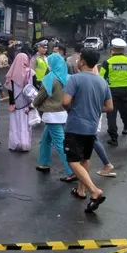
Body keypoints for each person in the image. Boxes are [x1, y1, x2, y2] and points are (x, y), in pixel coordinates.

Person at [62, 48, 114, 213]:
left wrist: (73, 108)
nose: (76, 61)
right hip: (91, 127)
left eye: (78, 58)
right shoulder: (102, 81)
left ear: (82, 62)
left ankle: (94, 190)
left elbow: (65, 102)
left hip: (75, 125)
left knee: (72, 161)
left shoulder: (74, 79)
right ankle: (81, 190)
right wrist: (93, 108)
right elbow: (109, 107)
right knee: (85, 158)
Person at [33, 53, 75, 181]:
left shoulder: (50, 78)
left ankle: (72, 170)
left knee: (61, 143)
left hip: (51, 115)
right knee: (46, 139)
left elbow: (41, 96)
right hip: (63, 113)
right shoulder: (68, 78)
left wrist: (32, 105)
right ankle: (44, 163)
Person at [99, 38, 127, 147]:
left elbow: (101, 78)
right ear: (123, 49)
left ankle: (114, 138)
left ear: (113, 49)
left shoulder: (107, 62)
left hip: (111, 92)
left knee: (111, 115)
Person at [6, 53, 33, 152]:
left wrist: (12, 103)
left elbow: (10, 90)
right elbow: (32, 89)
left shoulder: (12, 73)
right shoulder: (30, 73)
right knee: (25, 123)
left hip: (16, 103)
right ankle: (25, 143)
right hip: (26, 103)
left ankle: (15, 142)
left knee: (15, 123)